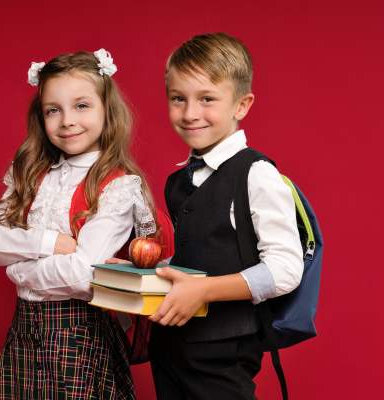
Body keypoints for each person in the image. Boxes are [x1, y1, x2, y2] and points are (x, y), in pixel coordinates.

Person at [0, 49, 157, 399]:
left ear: (107, 109)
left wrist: (17, 271)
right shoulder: (29, 172)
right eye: (53, 110)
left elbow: (82, 274)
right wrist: (50, 243)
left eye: (81, 106)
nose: (67, 121)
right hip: (23, 333)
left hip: (78, 338)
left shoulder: (116, 184)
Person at [148, 33, 305, 399]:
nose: (189, 113)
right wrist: (143, 271)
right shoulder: (180, 179)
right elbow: (200, 253)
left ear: (241, 105)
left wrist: (204, 291)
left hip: (223, 352)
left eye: (206, 99)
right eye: (178, 99)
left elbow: (284, 269)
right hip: (171, 346)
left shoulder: (256, 174)